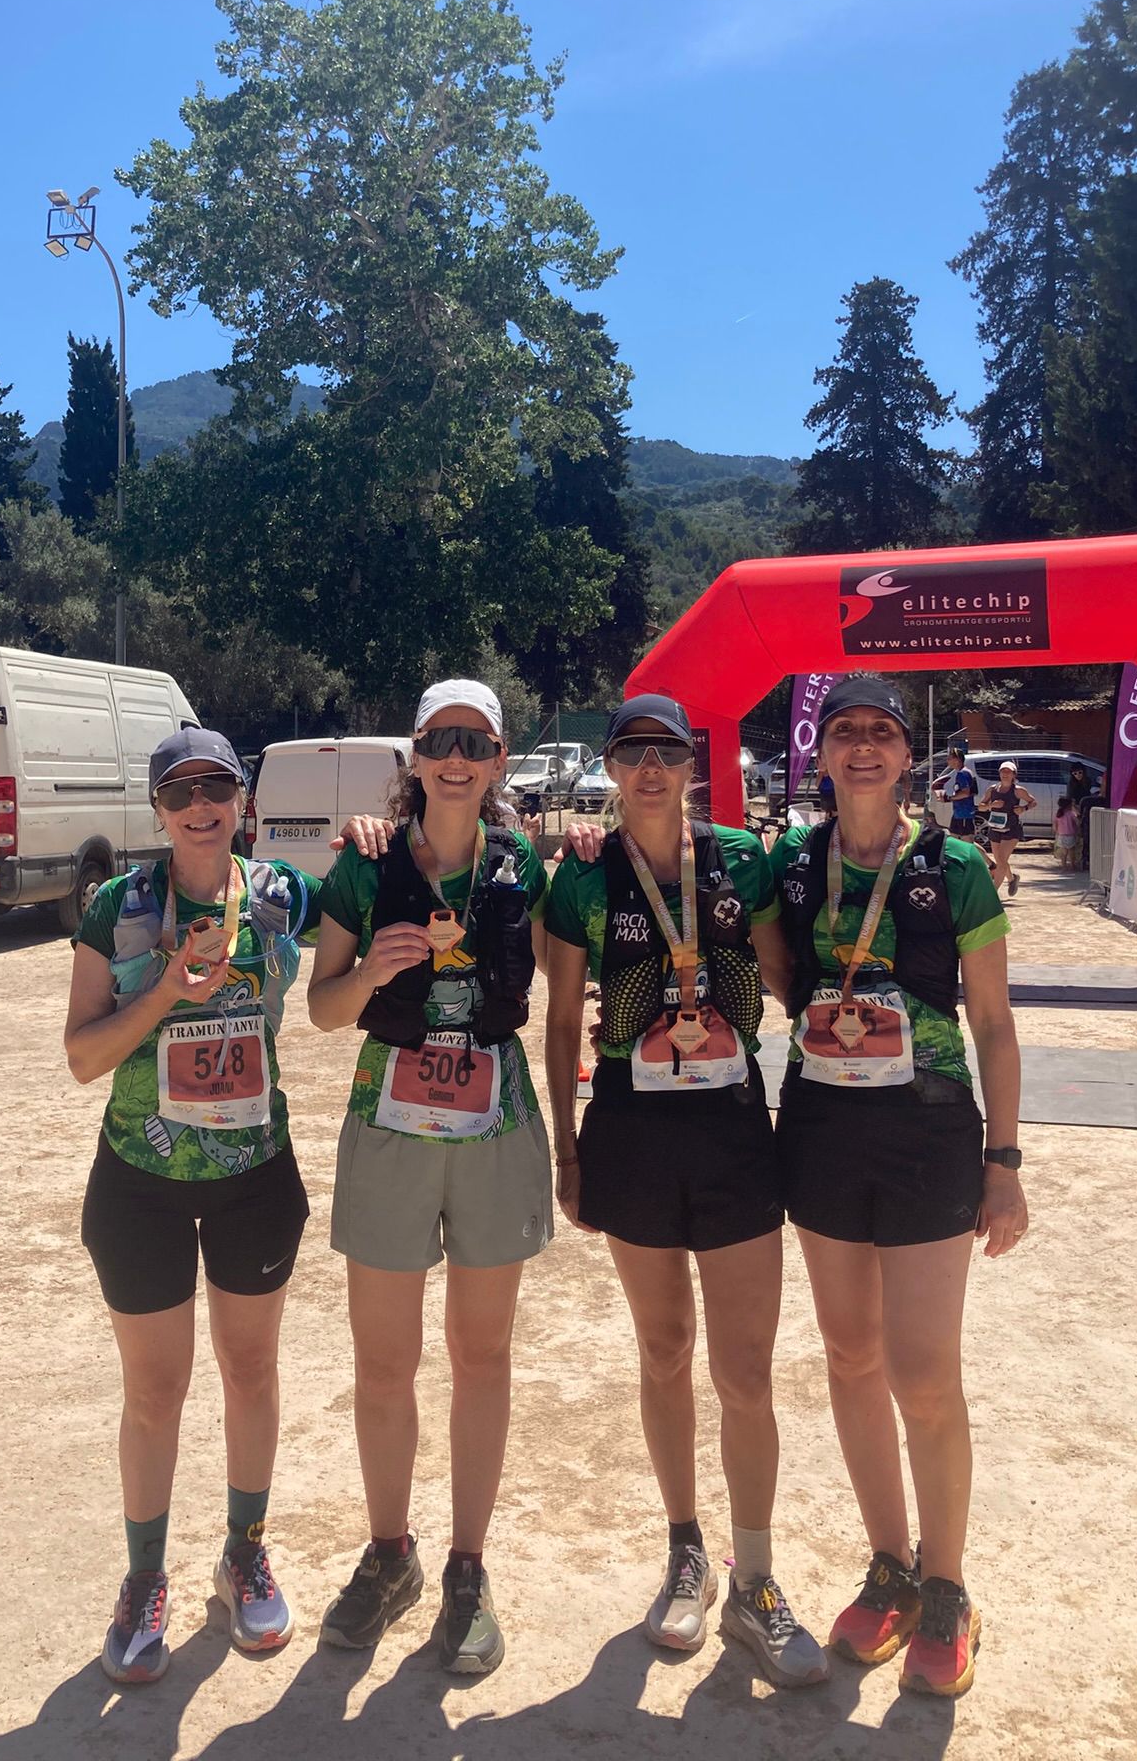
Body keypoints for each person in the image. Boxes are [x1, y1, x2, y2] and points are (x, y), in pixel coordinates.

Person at [544, 694, 827, 1689]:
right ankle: (685, 1552)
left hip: (732, 1128)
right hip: (629, 1129)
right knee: (663, 1349)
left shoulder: (742, 859)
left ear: (692, 766)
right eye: (633, 753)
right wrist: (567, 1151)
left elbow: (788, 975)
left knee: (745, 1371)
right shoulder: (584, 873)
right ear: (611, 768)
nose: (651, 769)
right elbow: (560, 1020)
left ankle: (755, 1577)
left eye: (667, 752)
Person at [769, 676, 1027, 1699]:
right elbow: (766, 963)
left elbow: (994, 1024)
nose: (864, 746)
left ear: (906, 754)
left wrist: (1004, 1163)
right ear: (823, 753)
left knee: (922, 1372)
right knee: (848, 1354)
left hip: (927, 1130)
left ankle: (948, 1583)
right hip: (823, 1127)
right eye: (845, 732)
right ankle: (890, 1567)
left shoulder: (954, 867)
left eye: (881, 731)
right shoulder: (793, 862)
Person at [64, 729, 321, 1685]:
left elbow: (390, 894)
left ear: (244, 800)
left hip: (254, 1174)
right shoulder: (118, 907)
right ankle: (143, 1578)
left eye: (218, 786)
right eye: (180, 793)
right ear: (159, 811)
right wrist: (167, 991)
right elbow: (82, 1057)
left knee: (250, 1371)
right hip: (142, 1179)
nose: (201, 805)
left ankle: (244, 1552)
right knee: (154, 1391)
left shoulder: (284, 894)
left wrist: (389, 830)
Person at [307, 679, 552, 1677]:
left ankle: (467, 1566)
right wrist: (370, 972)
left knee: (481, 1355)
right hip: (391, 1120)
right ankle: (389, 1551)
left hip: (494, 1121)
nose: (457, 758)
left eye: (475, 742)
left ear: (499, 761)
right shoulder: (365, 863)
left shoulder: (525, 864)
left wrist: (589, 846)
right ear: (414, 755)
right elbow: (322, 1008)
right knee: (384, 1362)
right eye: (440, 740)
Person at [977, 761, 1035, 896]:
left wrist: (1024, 808)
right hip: (995, 828)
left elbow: (1033, 801)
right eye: (1003, 771)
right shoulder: (992, 789)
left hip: (1011, 829)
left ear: (1014, 774)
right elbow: (980, 806)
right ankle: (1012, 879)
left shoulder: (1018, 790)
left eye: (1008, 772)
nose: (1005, 774)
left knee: (1002, 860)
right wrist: (991, 806)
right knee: (1000, 861)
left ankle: (992, 893)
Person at [932, 748, 978, 841]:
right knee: (953, 838)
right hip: (958, 812)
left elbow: (965, 793)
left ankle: (980, 851)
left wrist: (949, 798)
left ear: (957, 760)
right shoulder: (961, 773)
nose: (948, 761)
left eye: (950, 758)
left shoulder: (963, 773)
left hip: (964, 813)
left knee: (967, 840)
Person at [1054, 797, 1079, 871]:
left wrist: (1056, 832)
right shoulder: (1071, 814)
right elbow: (1077, 821)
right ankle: (1072, 866)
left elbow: (1055, 825)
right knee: (1071, 851)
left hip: (1061, 835)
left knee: (1064, 852)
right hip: (1070, 834)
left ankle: (1064, 866)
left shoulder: (1058, 814)